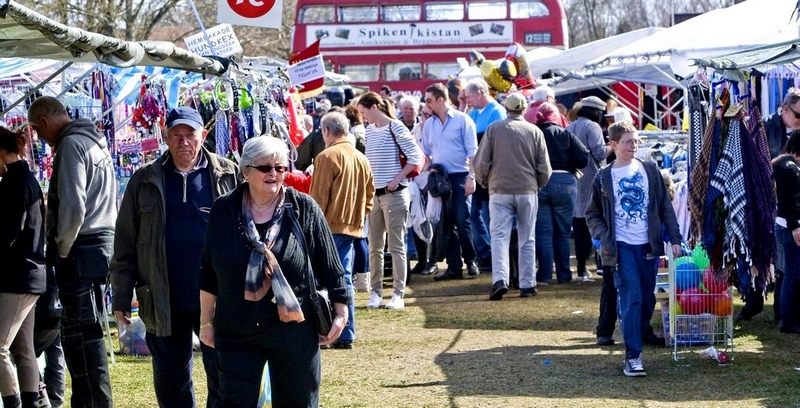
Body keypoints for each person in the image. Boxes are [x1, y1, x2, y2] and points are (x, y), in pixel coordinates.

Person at [198, 136, 349, 407]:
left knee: (297, 402)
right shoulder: (224, 208)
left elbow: (332, 266)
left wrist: (341, 313)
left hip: (293, 328)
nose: (274, 174)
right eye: (266, 168)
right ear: (245, 171)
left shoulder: (303, 208)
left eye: (280, 168)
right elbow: (209, 270)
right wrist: (206, 323)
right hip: (236, 328)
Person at [110, 106, 240, 407]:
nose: (184, 142)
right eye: (176, 135)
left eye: (190, 135)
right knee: (171, 380)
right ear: (165, 137)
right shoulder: (144, 180)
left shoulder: (228, 174)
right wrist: (120, 296)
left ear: (202, 136)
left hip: (217, 296)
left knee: (223, 374)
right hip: (163, 297)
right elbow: (125, 241)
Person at [28, 96, 116, 407]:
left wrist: (62, 247)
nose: (41, 139)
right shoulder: (94, 141)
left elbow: (74, 205)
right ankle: (91, 400)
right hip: (100, 245)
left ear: (44, 123)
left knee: (81, 337)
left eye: (39, 133)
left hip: (80, 249)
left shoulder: (70, 145)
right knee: (87, 333)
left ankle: (93, 402)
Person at [585, 121, 681, 377]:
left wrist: (675, 238)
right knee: (632, 296)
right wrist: (605, 237)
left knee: (647, 299)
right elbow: (591, 214)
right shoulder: (604, 177)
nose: (634, 146)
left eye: (636, 141)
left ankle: (635, 336)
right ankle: (633, 355)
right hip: (621, 247)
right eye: (628, 141)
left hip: (648, 247)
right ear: (613, 144)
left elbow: (665, 208)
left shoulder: (650, 170)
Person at [473, 93, 552, 300]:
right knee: (527, 237)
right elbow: (544, 167)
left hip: (499, 190)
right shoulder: (534, 131)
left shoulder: (494, 129)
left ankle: (500, 280)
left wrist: (484, 181)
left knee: (499, 237)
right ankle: (528, 284)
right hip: (527, 190)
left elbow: (481, 163)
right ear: (524, 109)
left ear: (505, 108)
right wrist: (538, 184)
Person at [309, 112, 374, 349]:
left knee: (324, 280)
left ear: (327, 131)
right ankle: (345, 333)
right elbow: (370, 195)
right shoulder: (361, 158)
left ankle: (331, 332)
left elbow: (316, 200)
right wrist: (358, 216)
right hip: (352, 228)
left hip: (328, 227)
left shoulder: (326, 157)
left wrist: (311, 229)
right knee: (343, 279)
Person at [358, 92, 423, 309]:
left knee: (396, 246)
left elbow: (415, 157)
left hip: (394, 194)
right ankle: (376, 292)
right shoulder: (369, 131)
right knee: (374, 246)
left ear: (374, 107)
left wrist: (397, 178)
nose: (363, 116)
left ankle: (398, 293)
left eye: (364, 111)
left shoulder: (396, 127)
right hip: (375, 195)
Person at [739, 88, 800, 321]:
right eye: (797, 115)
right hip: (763, 202)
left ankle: (782, 311)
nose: (799, 121)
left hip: (787, 205)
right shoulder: (762, 127)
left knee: (788, 259)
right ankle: (754, 302)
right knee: (760, 253)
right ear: (785, 109)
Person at [0, 126, 46, 408]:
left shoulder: (14, 185)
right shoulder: (24, 179)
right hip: (27, 275)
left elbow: (7, 233)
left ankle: (13, 402)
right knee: (23, 350)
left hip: (18, 277)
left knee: (0, 349)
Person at [422, 83, 480, 281]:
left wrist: (471, 177)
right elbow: (426, 152)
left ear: (440, 99)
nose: (426, 104)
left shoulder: (463, 121)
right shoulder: (429, 124)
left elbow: (473, 152)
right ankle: (454, 266)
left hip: (460, 175)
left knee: (462, 220)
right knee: (446, 223)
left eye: (429, 100)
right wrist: (430, 168)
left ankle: (471, 260)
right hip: (442, 177)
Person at [533, 103, 589, 284]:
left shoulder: (534, 133)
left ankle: (544, 275)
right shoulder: (565, 134)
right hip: (565, 182)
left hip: (540, 182)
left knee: (543, 233)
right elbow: (583, 159)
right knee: (563, 233)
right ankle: (564, 274)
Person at [567, 96, 611, 284]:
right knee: (596, 222)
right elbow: (600, 153)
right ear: (597, 112)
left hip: (575, 178)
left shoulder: (570, 126)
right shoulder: (592, 127)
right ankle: (600, 264)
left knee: (578, 225)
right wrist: (613, 146)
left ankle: (581, 266)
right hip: (592, 177)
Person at [464, 78, 506, 272]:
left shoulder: (497, 111)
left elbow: (495, 144)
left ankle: (494, 255)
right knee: (474, 215)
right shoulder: (473, 112)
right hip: (477, 171)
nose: (468, 99)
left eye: (470, 96)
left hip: (490, 173)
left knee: (489, 216)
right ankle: (485, 252)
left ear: (480, 93)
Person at [773, 130, 800, 334]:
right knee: (792, 273)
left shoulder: (785, 164)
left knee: (789, 272)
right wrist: (795, 227)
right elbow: (788, 202)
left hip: (786, 225)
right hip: (789, 227)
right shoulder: (789, 167)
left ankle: (787, 317)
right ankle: (787, 319)